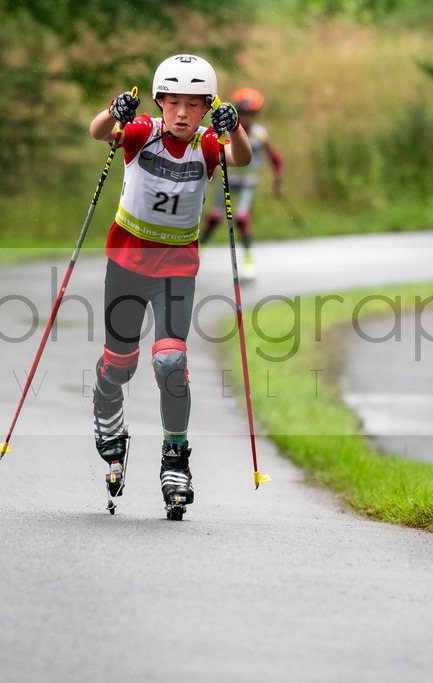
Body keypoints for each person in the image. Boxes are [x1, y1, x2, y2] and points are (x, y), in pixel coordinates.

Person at [88, 54, 252, 513]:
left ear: (207, 107)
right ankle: (106, 411)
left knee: (170, 361)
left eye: (194, 104)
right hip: (126, 262)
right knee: (120, 364)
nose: (182, 113)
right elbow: (99, 132)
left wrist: (233, 127)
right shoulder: (142, 133)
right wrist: (114, 111)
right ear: (159, 101)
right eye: (173, 102)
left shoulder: (209, 143)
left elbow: (242, 157)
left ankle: (175, 458)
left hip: (177, 267)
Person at [201, 87, 284, 279]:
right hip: (228, 180)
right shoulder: (227, 132)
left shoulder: (259, 134)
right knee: (214, 217)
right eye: (243, 113)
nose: (246, 118)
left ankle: (248, 260)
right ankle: (196, 253)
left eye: (251, 114)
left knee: (241, 217)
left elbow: (275, 157)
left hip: (248, 182)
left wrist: (278, 182)